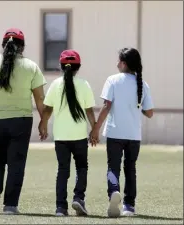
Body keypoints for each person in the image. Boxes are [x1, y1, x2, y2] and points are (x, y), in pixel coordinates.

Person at [0, 28, 46, 214]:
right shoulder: (31, 66)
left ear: (3, 44)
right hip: (21, 121)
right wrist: (43, 122)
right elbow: (40, 100)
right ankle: (11, 206)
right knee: (16, 162)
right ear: (22, 46)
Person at [90, 48, 154, 218]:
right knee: (130, 169)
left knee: (113, 167)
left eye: (118, 61)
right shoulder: (143, 84)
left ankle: (113, 192)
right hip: (134, 135)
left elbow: (106, 106)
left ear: (124, 64)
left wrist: (95, 128)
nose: (116, 64)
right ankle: (129, 206)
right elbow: (149, 113)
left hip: (114, 133)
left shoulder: (112, 80)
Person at [38, 50, 96, 216]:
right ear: (78, 67)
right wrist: (95, 129)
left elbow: (47, 109)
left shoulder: (55, 84)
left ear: (62, 66)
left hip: (61, 137)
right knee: (82, 168)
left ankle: (60, 208)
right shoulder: (84, 84)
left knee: (63, 170)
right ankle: (78, 198)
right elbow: (89, 111)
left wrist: (43, 125)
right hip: (79, 137)